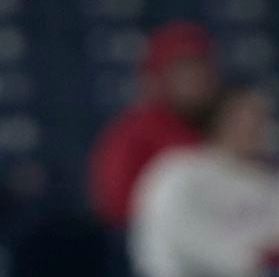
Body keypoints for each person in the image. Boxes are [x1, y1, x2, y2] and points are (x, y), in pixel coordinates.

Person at [128, 85, 279, 277]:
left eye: (265, 117)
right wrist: (258, 266)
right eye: (249, 115)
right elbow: (189, 244)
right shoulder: (179, 171)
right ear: (221, 118)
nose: (261, 125)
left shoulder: (275, 183)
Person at [88, 21, 219, 228]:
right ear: (158, 77)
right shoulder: (135, 131)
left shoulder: (225, 126)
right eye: (183, 69)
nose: (196, 78)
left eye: (200, 66)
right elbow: (114, 204)